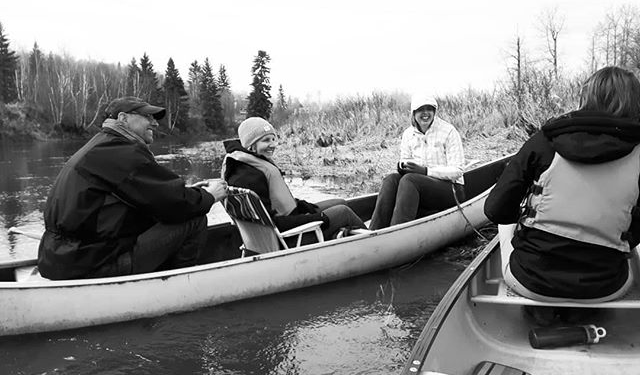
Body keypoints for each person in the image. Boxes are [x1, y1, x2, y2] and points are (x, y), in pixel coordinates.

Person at [484, 66, 640, 304]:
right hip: (605, 287)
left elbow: (495, 210)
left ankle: (540, 310)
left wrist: (529, 217)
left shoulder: (544, 141)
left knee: (504, 226)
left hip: (531, 280)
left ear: (585, 97)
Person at [38, 97, 228, 280]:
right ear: (123, 118)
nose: (154, 123)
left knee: (175, 211)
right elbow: (175, 203)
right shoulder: (122, 153)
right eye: (148, 117)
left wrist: (189, 194)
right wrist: (210, 196)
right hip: (92, 265)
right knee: (194, 218)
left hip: (62, 259)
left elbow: (157, 197)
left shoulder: (102, 146)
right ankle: (176, 286)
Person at [221, 117, 367, 241]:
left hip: (291, 221)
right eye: (266, 140)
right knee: (343, 212)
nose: (273, 144)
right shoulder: (249, 177)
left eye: (273, 139)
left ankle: (343, 239)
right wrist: (318, 218)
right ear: (251, 146)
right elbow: (274, 222)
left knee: (340, 202)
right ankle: (373, 239)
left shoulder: (248, 166)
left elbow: (277, 202)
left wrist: (305, 207)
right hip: (290, 237)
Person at [369, 93, 465, 230]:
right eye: (421, 109)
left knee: (410, 180)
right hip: (421, 187)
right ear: (414, 113)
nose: (425, 113)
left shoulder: (449, 131)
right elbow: (405, 159)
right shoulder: (408, 134)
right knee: (391, 179)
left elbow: (457, 171)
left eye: (429, 109)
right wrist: (403, 166)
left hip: (451, 189)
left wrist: (426, 171)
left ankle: (397, 233)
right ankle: (375, 231)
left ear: (434, 111)